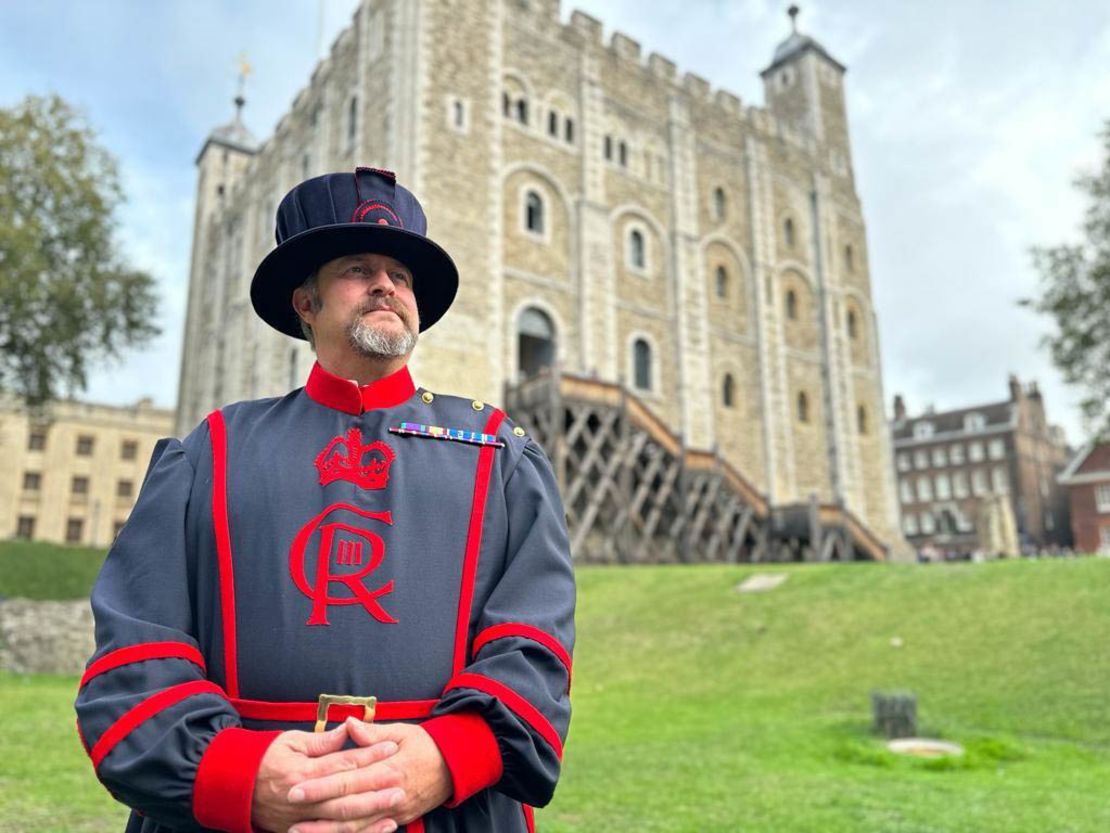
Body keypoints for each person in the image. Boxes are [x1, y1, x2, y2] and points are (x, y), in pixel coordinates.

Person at [75, 167, 576, 833]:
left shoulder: (500, 451)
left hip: (451, 813)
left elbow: (536, 642)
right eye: (357, 267)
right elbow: (136, 652)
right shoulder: (210, 452)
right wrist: (239, 773)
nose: (386, 286)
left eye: (400, 275)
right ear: (304, 302)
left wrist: (446, 753)